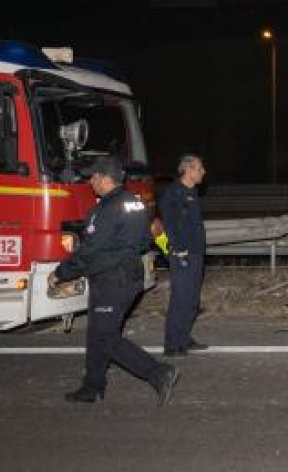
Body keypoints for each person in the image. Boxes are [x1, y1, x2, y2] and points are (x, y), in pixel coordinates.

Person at [49, 156, 179, 405]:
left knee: (105, 337)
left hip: (111, 279)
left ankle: (158, 372)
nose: (90, 181)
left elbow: (91, 250)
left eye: (93, 177)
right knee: (97, 332)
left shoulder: (106, 209)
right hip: (128, 275)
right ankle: (92, 387)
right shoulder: (135, 204)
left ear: (104, 178)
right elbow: (144, 241)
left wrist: (62, 272)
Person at [160, 153, 208, 357]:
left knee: (192, 299)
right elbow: (169, 225)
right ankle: (172, 344)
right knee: (181, 298)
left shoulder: (192, 191)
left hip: (196, 252)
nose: (203, 171)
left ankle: (184, 337)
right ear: (188, 169)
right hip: (182, 253)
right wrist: (178, 250)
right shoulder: (174, 193)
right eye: (199, 168)